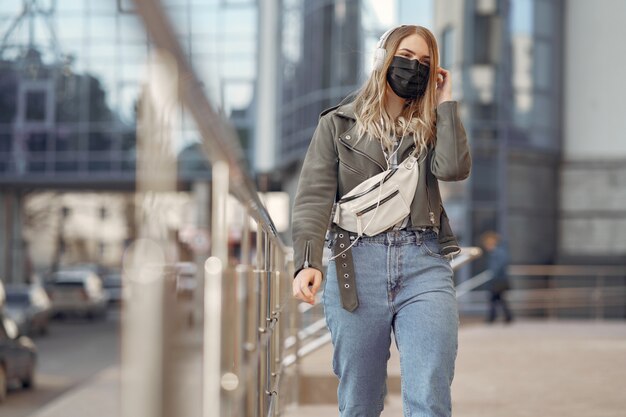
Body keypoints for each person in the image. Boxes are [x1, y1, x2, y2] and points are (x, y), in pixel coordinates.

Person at [291, 25, 471, 417]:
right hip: (355, 264)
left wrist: (446, 103)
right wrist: (307, 262)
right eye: (407, 56)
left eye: (425, 62)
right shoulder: (338, 125)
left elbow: (454, 170)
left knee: (430, 395)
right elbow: (313, 198)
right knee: (360, 401)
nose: (415, 68)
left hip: (424, 261)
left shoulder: (434, 125)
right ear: (382, 59)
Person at [480, 231, 514, 324]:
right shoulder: (493, 253)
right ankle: (505, 317)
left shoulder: (498, 252)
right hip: (496, 280)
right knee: (498, 299)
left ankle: (494, 317)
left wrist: (492, 273)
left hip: (499, 281)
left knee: (495, 299)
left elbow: (499, 265)